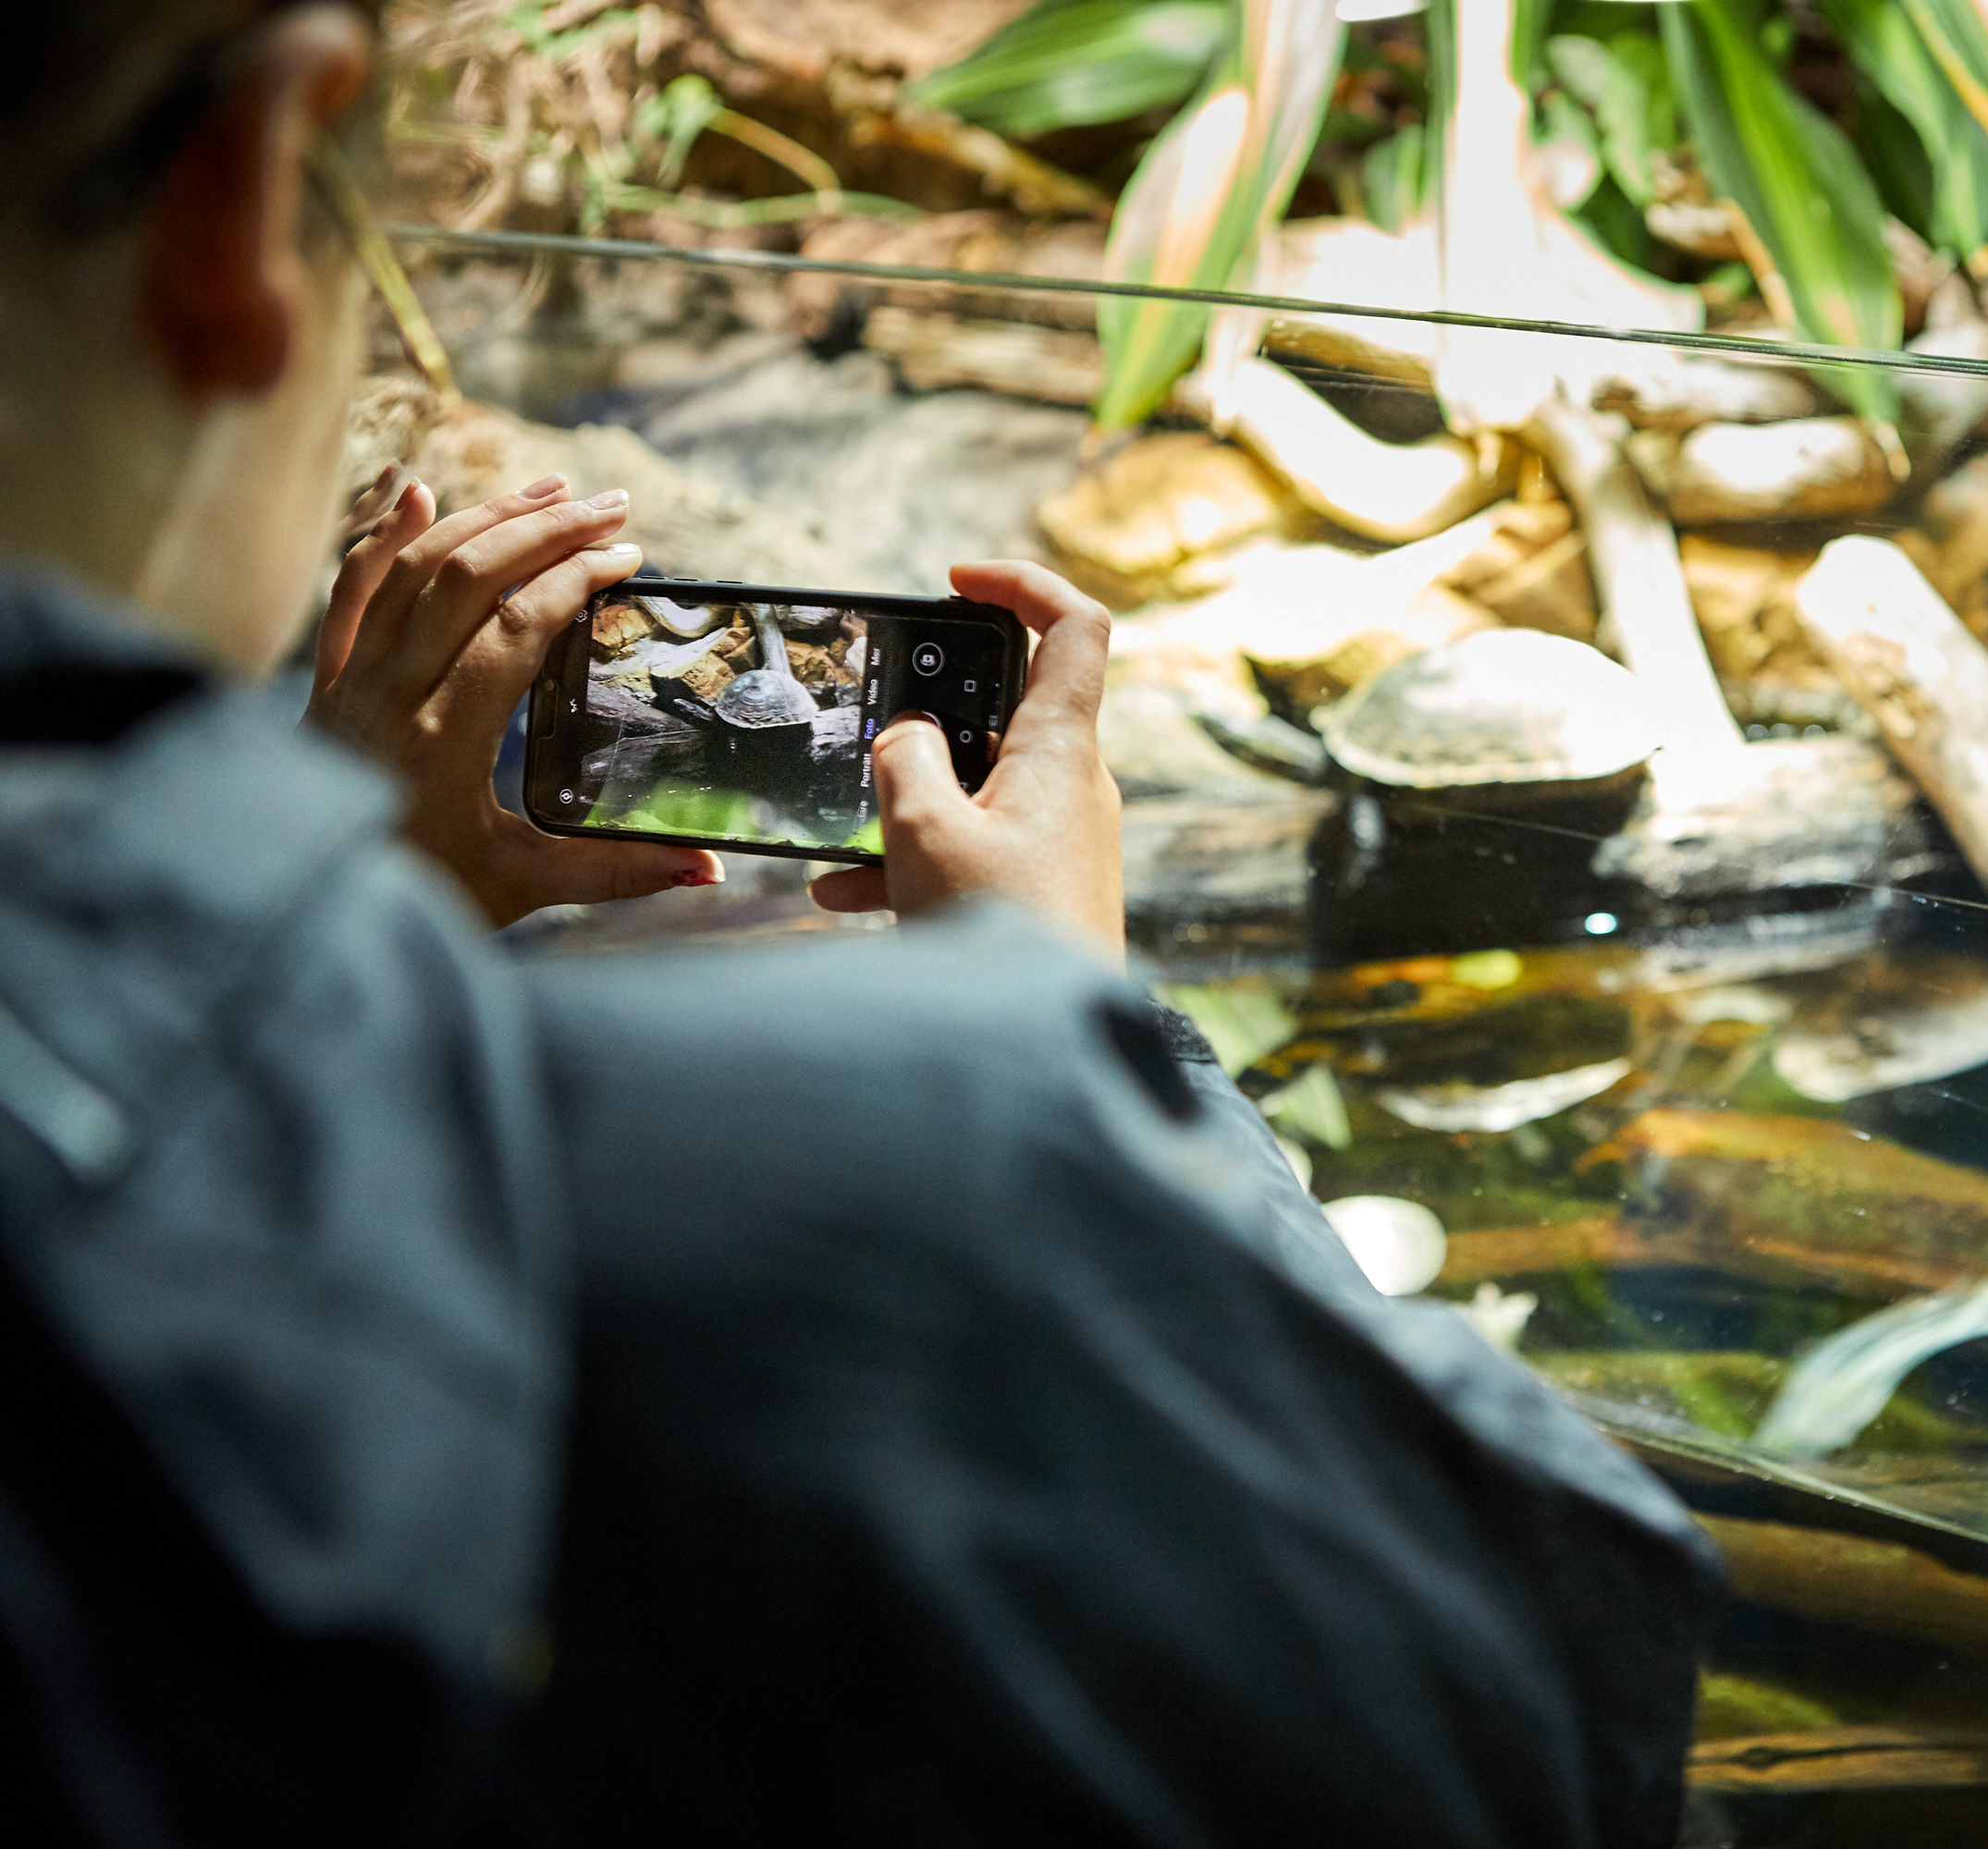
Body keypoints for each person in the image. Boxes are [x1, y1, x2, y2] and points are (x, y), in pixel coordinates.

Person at [0, 5, 1719, 1845]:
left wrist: (346, 893)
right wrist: (1082, 1047)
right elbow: (1552, 1705)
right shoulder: (926, 1150)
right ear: (250, 192)